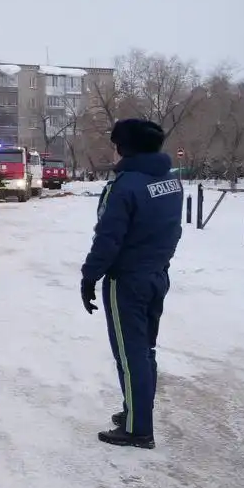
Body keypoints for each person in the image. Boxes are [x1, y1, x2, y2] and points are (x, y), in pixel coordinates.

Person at [80, 118, 183, 449]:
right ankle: (136, 412)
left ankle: (138, 428)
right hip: (156, 275)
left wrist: (89, 276)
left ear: (125, 147)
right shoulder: (171, 182)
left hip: (127, 281)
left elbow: (108, 239)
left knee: (130, 354)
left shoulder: (125, 186)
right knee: (144, 350)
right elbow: (171, 230)